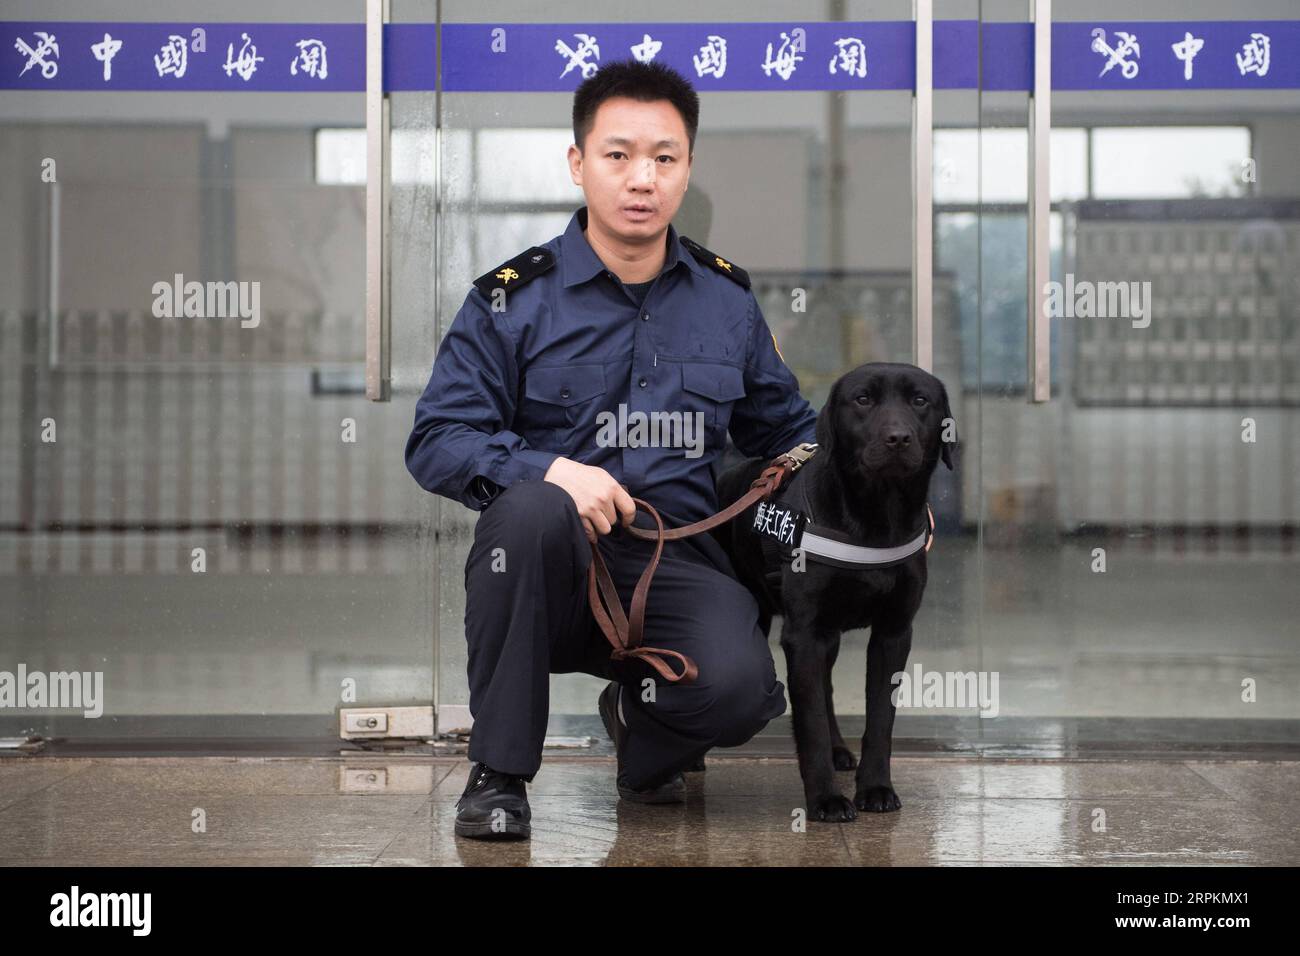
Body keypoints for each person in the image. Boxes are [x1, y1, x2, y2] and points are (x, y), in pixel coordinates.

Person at [404, 60, 818, 840]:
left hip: (676, 567)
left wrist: (867, 471)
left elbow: (788, 434)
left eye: (664, 158)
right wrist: (551, 471)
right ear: (577, 164)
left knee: (740, 691)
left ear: (687, 169)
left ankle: (641, 724)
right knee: (527, 514)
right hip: (548, 570)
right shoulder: (511, 301)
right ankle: (499, 776)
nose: (642, 179)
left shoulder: (726, 302)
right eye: (618, 154)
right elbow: (437, 439)